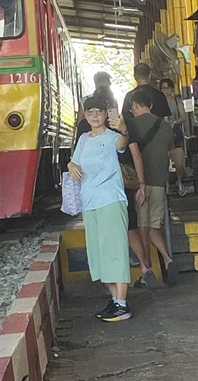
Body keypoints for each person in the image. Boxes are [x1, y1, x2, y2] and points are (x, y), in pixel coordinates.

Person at [68, 97, 132, 322]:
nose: (95, 115)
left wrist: (124, 130)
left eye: (99, 111)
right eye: (90, 112)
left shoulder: (112, 137)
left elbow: (123, 144)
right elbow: (73, 161)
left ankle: (122, 304)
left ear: (106, 114)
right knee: (99, 254)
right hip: (90, 203)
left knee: (114, 251)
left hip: (110, 201)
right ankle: (115, 301)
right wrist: (71, 165)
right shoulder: (84, 139)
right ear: (85, 115)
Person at [128, 94, 177, 287]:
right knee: (154, 227)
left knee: (142, 228)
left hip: (139, 183)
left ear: (133, 106)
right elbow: (170, 152)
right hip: (159, 183)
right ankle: (167, 259)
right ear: (151, 104)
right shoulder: (166, 127)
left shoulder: (131, 125)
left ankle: (146, 272)